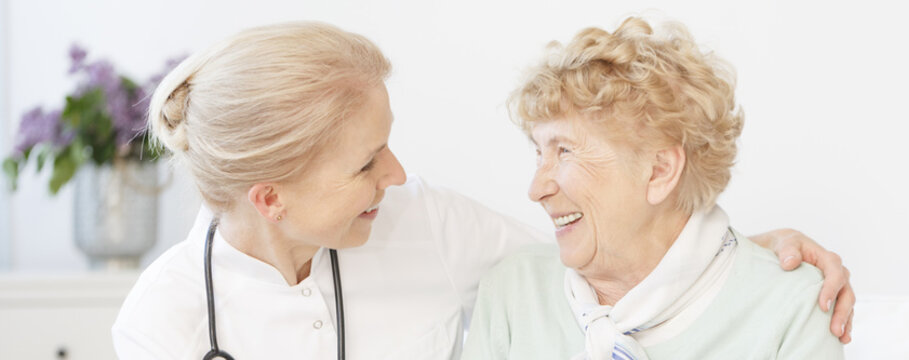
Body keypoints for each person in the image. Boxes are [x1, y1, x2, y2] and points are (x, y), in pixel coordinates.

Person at [112, 21, 852, 359]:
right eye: (367, 163)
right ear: (270, 198)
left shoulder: (427, 227)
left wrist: (742, 255)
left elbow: (618, 257)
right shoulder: (164, 321)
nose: (396, 175)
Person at [462, 17, 844, 359]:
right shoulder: (513, 292)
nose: (536, 188)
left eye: (564, 151)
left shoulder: (789, 307)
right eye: (538, 152)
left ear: (660, 171)